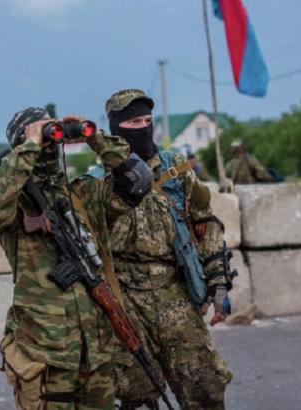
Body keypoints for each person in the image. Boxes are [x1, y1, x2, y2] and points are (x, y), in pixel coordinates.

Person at [0, 107, 152, 409]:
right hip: (46, 353)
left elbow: (139, 181)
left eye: (50, 138)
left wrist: (94, 137)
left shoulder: (81, 194)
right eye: (44, 137)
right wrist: (31, 143)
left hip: (96, 351)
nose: (48, 146)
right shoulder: (13, 206)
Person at [104, 89, 234, 410]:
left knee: (205, 385)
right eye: (134, 122)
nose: (143, 128)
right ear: (117, 129)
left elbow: (206, 224)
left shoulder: (176, 168)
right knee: (135, 393)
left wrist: (219, 282)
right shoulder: (100, 181)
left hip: (173, 291)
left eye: (147, 121)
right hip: (124, 297)